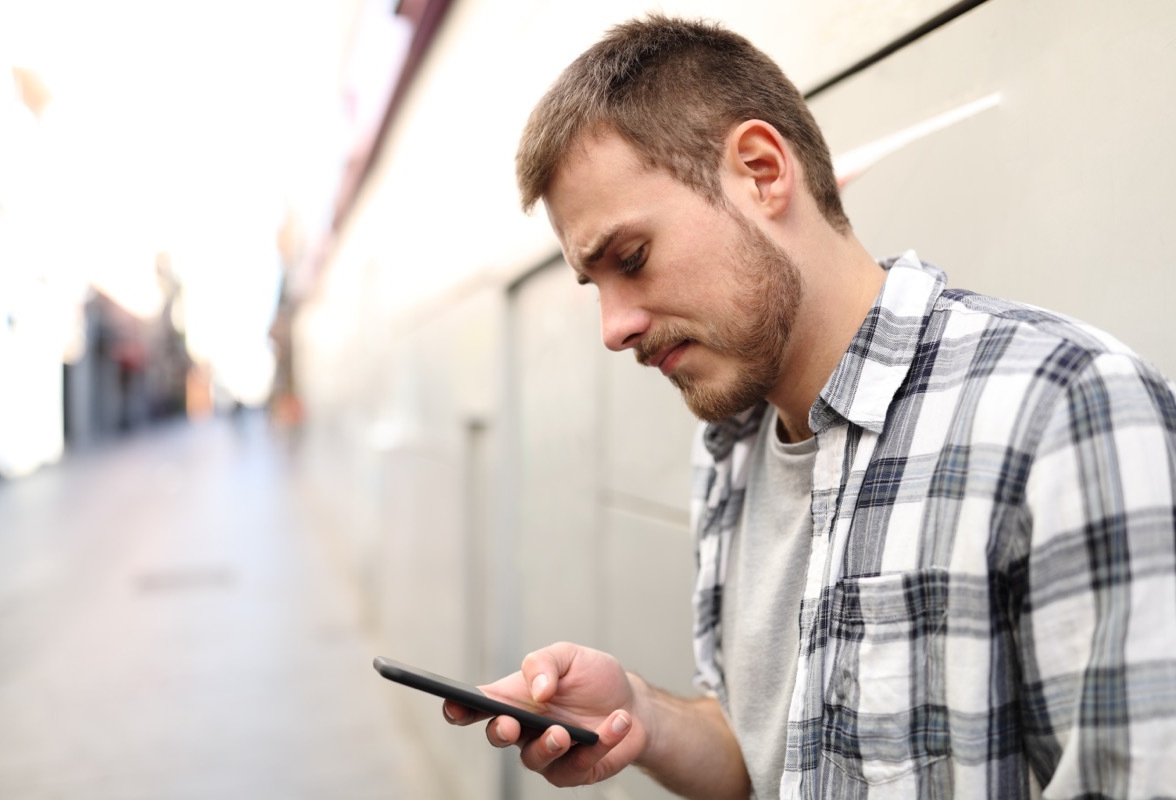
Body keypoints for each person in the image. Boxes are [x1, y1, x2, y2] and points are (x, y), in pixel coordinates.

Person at [442, 13, 1176, 798]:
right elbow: (765, 758)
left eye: (632, 259)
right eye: (598, 285)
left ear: (762, 171)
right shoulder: (730, 443)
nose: (614, 328)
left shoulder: (1065, 410)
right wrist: (642, 714)